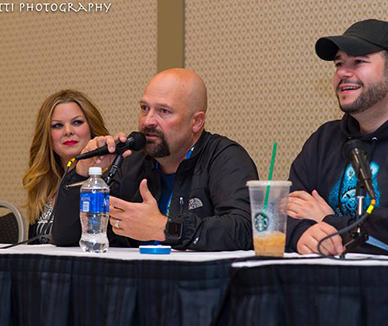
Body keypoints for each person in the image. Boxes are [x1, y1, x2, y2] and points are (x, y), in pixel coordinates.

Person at [52, 68, 259, 251]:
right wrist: (83, 171)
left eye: (164, 111)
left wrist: (165, 228)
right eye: (144, 108)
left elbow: (244, 229)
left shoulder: (225, 158)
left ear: (196, 122)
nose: (148, 121)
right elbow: (67, 237)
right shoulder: (131, 162)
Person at [286, 19, 388, 256]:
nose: (342, 73)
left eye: (358, 62)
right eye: (339, 64)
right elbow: (287, 210)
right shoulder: (324, 140)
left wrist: (328, 221)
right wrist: (301, 234)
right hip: (324, 285)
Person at [23, 89, 109, 243]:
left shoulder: (108, 182)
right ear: (47, 135)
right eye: (57, 125)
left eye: (77, 122)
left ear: (91, 127)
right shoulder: (44, 184)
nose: (68, 131)